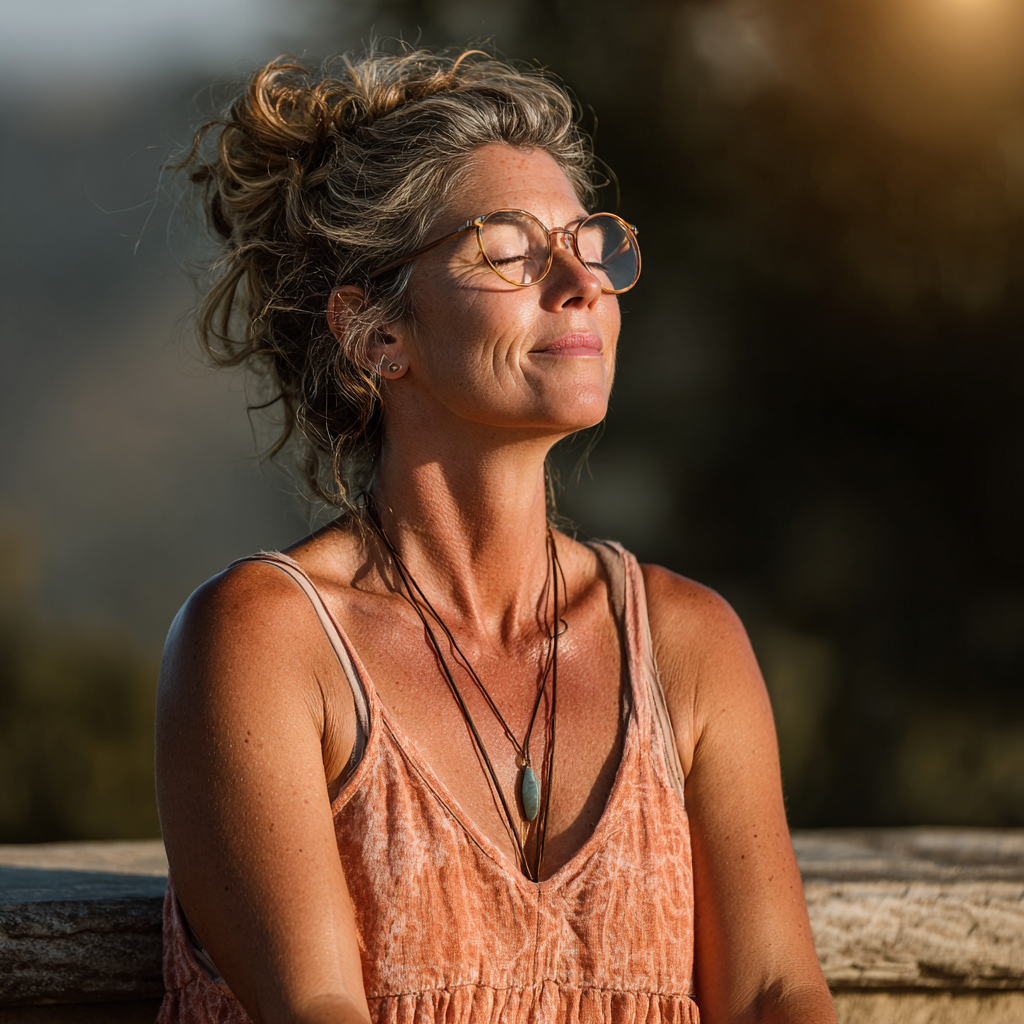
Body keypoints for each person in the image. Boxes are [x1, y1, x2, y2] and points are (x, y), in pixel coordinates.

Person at [155, 46, 837, 1024]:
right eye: (510, 249)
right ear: (377, 335)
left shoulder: (686, 645)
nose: (582, 281)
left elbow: (774, 991)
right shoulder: (267, 639)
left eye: (590, 242)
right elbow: (317, 1005)